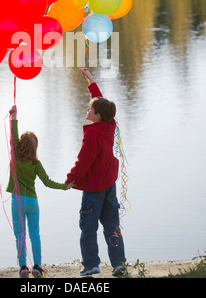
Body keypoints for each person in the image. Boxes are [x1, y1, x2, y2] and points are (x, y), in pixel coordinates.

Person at [65, 68, 126, 277]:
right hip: (109, 183)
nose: (88, 108)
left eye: (91, 108)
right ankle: (119, 263)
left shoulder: (92, 135)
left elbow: (84, 161)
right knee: (111, 224)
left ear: (97, 115)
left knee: (88, 227)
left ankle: (91, 264)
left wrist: (70, 179)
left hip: (94, 188)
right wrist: (90, 80)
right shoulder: (110, 124)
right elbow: (101, 101)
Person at [7, 104, 73, 278]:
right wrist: (65, 186)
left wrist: (14, 116)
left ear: (20, 145)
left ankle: (23, 268)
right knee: (34, 234)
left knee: (19, 235)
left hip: (17, 201)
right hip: (32, 202)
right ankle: (37, 267)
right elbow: (48, 182)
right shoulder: (36, 164)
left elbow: (13, 136)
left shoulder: (15, 156)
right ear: (35, 148)